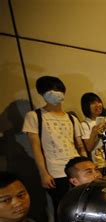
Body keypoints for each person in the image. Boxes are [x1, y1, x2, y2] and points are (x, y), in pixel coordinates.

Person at [22, 76, 86, 212]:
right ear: (42, 94)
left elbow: (80, 146)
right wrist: (43, 173)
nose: (55, 93)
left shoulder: (71, 118)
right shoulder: (34, 116)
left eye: (58, 90)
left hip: (77, 170)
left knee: (83, 205)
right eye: (49, 91)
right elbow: (36, 147)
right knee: (64, 208)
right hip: (56, 172)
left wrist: (86, 165)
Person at [80, 92, 106, 178]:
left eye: (98, 102)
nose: (97, 105)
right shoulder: (85, 124)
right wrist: (94, 133)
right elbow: (88, 148)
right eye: (93, 103)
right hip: (99, 163)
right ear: (86, 106)